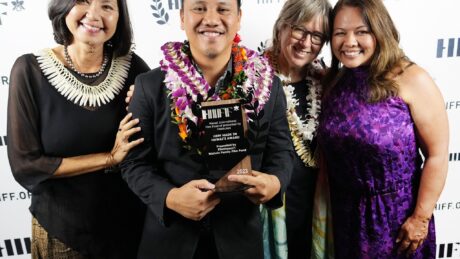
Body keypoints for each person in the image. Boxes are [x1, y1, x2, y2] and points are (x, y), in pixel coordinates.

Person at [120, 0, 294, 258]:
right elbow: (133, 163)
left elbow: (282, 153)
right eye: (199, 8)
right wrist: (170, 198)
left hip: (240, 243)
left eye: (223, 9)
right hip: (168, 243)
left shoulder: (268, 86)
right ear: (181, 18)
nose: (211, 19)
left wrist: (274, 182)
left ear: (238, 18)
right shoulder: (149, 86)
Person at [7, 0, 150, 258]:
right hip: (63, 232)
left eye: (107, 6)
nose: (94, 14)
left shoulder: (135, 69)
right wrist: (109, 158)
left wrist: (151, 103)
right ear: (64, 7)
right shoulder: (30, 71)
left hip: (129, 230)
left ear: (119, 17)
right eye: (83, 1)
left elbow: (155, 146)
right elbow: (26, 165)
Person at [318, 0, 449, 258]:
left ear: (380, 31)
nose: (349, 41)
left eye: (361, 31)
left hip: (398, 222)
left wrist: (420, 218)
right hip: (345, 218)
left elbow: (438, 154)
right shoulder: (335, 82)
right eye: (340, 33)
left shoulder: (412, 79)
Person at [260, 0, 331, 258]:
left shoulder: (327, 82)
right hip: (269, 210)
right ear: (281, 27)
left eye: (316, 36)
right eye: (299, 29)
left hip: (315, 209)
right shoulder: (251, 77)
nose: (305, 42)